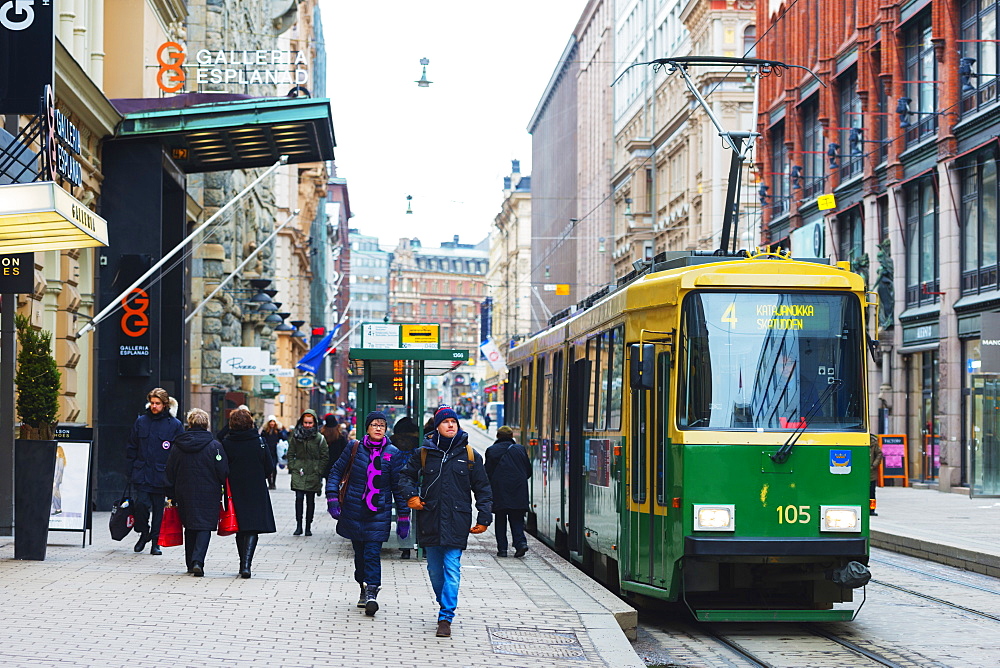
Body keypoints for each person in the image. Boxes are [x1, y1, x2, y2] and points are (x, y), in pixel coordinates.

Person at [402, 406, 492, 638]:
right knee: (434, 570)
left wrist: (484, 518)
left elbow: (483, 489)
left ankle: (446, 616)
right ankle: (444, 603)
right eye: (445, 422)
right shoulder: (424, 453)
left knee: (452, 568)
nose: (451, 425)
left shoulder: (471, 455)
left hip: (457, 520)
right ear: (437, 427)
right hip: (429, 518)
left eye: (454, 421)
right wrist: (411, 495)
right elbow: (405, 476)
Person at [326, 411, 410, 616]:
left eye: (382, 425)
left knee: (372, 554)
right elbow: (336, 471)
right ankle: (363, 587)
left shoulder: (392, 453)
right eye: (375, 425)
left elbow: (399, 487)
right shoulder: (354, 448)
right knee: (360, 555)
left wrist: (403, 516)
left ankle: (372, 592)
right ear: (368, 428)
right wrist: (332, 499)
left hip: (378, 513)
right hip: (354, 511)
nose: (379, 428)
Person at [166, 408, 228, 576]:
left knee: (190, 525)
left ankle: (189, 562)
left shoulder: (178, 445)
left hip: (184, 491)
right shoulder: (215, 446)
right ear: (206, 424)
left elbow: (170, 470)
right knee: (204, 526)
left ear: (190, 423)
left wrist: (172, 491)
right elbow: (223, 472)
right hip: (209, 492)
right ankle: (198, 561)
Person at [126, 387, 184, 555]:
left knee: (159, 509)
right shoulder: (141, 421)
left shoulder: (174, 425)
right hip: (142, 472)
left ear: (165, 405)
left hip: (161, 475)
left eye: (157, 403)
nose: (154, 406)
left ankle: (155, 541)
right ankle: (144, 533)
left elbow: (178, 451)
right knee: (141, 505)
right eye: (152, 403)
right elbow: (132, 446)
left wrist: (175, 475)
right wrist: (130, 470)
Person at [221, 408, 276, 578]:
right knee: (252, 528)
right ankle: (246, 564)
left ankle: (241, 563)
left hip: (235, 489)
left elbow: (223, 467)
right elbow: (270, 467)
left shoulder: (227, 443)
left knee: (240, 527)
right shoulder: (259, 441)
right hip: (256, 488)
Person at [485, 426, 531, 558]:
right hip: (518, 490)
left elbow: (487, 472)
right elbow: (528, 470)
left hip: (499, 490)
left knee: (500, 520)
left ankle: (502, 549)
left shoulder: (491, 451)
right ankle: (521, 543)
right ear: (511, 436)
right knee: (517, 518)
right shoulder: (520, 449)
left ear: (498, 436)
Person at [286, 409, 328, 536]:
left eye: (310, 423)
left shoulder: (319, 438)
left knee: (310, 500)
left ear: (314, 423)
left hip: (313, 472)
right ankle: (299, 525)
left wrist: (319, 470)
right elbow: (290, 453)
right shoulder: (296, 436)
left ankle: (308, 525)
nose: (307, 425)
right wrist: (293, 467)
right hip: (299, 471)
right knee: (299, 498)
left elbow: (325, 456)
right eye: (305, 422)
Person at [390, 416, 421, 559]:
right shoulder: (417, 442)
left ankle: (405, 546)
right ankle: (421, 546)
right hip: (413, 478)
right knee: (419, 512)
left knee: (402, 511)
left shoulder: (393, 441)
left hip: (395, 477)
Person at [261, 416, 287, 489]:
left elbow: (284, 438)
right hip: (267, 451)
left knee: (274, 468)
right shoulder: (265, 431)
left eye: (273, 422)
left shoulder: (278, 431)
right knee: (269, 468)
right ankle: (270, 483)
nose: (272, 423)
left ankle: (273, 483)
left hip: (275, 452)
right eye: (271, 422)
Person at [870, 434, 884, 516]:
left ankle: (871, 509)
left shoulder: (873, 442)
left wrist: (874, 465)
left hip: (871, 473)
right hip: (861, 473)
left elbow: (879, 454)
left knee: (872, 492)